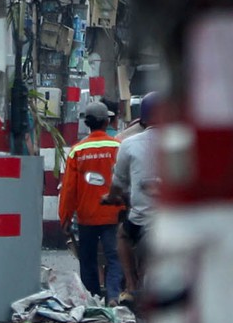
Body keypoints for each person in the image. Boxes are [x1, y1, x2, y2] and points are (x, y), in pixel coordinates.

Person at [58, 108, 124, 304]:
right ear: (107, 122)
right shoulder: (118, 147)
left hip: (87, 215)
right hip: (114, 214)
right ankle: (113, 295)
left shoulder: (78, 151)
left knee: (88, 260)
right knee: (115, 257)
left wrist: (65, 218)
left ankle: (92, 297)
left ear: (87, 124)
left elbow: (69, 189)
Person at [107, 94, 162, 302]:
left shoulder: (129, 144)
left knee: (122, 234)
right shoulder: (181, 140)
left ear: (142, 119)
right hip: (176, 218)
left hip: (142, 218)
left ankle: (130, 285)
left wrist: (112, 197)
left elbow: (118, 182)